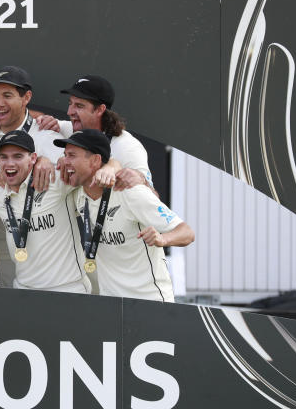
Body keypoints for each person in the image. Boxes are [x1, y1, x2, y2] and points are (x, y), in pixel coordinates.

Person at [56, 129, 195, 302]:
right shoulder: (78, 196)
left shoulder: (132, 193)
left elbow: (187, 233)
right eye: (64, 155)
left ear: (95, 161)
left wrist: (162, 239)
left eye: (71, 155)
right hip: (111, 305)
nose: (64, 161)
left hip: (150, 303)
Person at [0, 66, 61, 286]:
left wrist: (44, 160)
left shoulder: (47, 136)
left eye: (7, 96)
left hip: (41, 256)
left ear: (26, 98)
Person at [0, 130, 92, 293]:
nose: (10, 163)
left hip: (69, 288)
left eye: (18, 156)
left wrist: (113, 166)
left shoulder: (55, 178)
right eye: (3, 157)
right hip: (23, 289)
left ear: (33, 158)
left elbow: (94, 169)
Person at [37, 75, 152, 187]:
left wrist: (115, 168)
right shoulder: (66, 128)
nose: (69, 112)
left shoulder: (127, 147)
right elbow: (28, 120)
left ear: (100, 110)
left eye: (79, 106)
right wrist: (42, 158)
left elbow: (151, 195)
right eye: (70, 103)